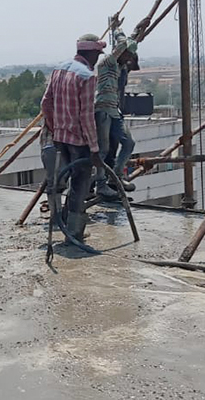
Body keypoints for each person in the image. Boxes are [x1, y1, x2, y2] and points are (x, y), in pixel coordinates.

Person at [41, 34, 104, 241]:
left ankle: (62, 221)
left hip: (60, 139)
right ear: (91, 53)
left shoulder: (59, 69)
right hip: (79, 142)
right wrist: (94, 149)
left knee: (60, 180)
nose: (97, 59)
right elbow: (86, 116)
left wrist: (54, 128)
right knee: (79, 185)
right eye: (97, 54)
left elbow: (45, 103)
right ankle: (74, 233)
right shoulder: (87, 76)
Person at [93, 30, 139, 199]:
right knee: (103, 149)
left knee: (128, 143)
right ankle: (100, 184)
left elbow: (129, 46)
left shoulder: (119, 67)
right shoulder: (107, 62)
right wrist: (119, 31)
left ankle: (116, 176)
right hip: (103, 110)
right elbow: (123, 44)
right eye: (127, 55)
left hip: (114, 111)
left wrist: (136, 34)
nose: (128, 59)